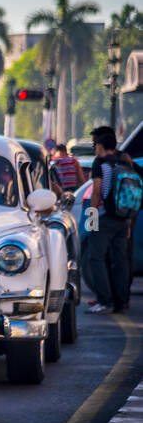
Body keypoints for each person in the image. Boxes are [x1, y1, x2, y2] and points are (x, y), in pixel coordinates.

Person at [83, 126, 133, 314]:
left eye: (96, 145)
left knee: (96, 258)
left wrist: (91, 219)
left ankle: (105, 301)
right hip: (123, 217)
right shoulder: (123, 161)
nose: (95, 148)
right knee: (120, 260)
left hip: (104, 217)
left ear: (102, 147)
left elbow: (97, 192)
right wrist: (128, 220)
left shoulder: (100, 163)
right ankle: (121, 301)